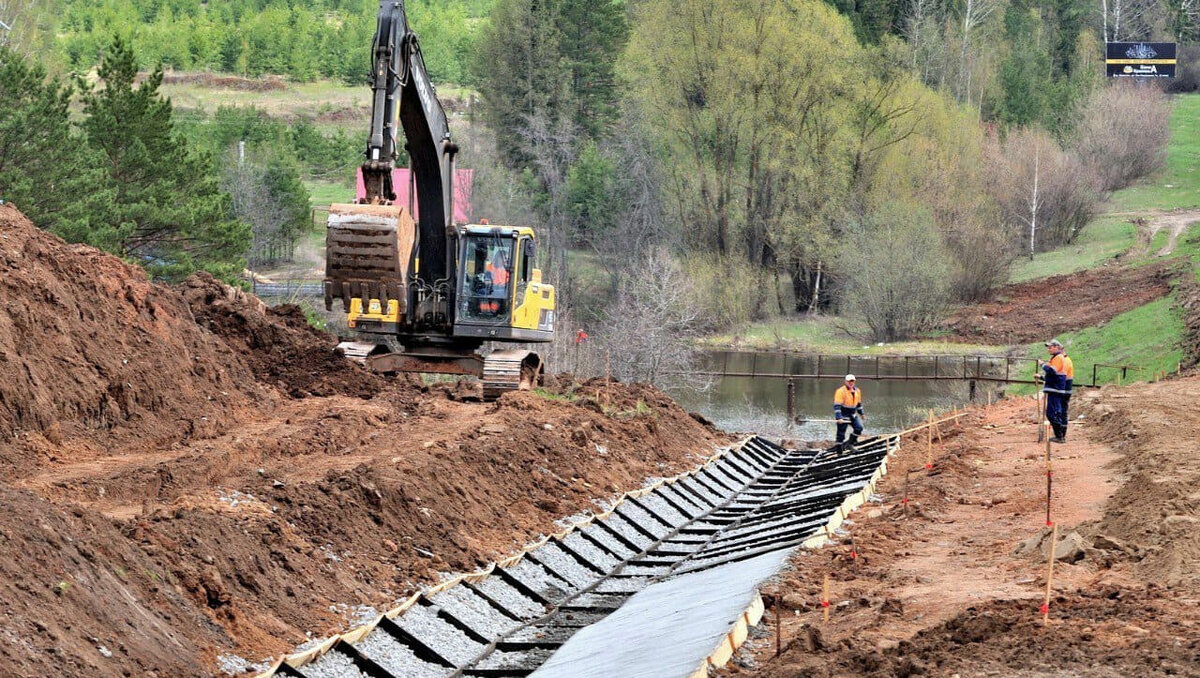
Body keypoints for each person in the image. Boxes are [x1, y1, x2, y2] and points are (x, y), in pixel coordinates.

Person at [1039, 339, 1072, 443]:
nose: (1049, 349)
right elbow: (1053, 375)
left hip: (1056, 389)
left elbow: (1052, 372)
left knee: (1052, 413)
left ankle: (1060, 436)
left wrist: (1042, 365)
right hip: (1055, 388)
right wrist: (1042, 377)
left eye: (1050, 347)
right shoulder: (1056, 358)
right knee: (1055, 412)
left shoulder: (1058, 358)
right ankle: (1060, 435)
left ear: (1057, 347)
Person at [834, 374, 865, 447]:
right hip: (843, 414)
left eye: (852, 381)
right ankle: (839, 452)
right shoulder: (840, 391)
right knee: (841, 435)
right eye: (849, 381)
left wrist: (862, 413)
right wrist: (839, 417)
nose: (851, 383)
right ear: (845, 382)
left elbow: (859, 404)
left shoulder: (857, 391)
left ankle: (850, 444)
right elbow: (837, 406)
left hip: (853, 415)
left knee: (859, 428)